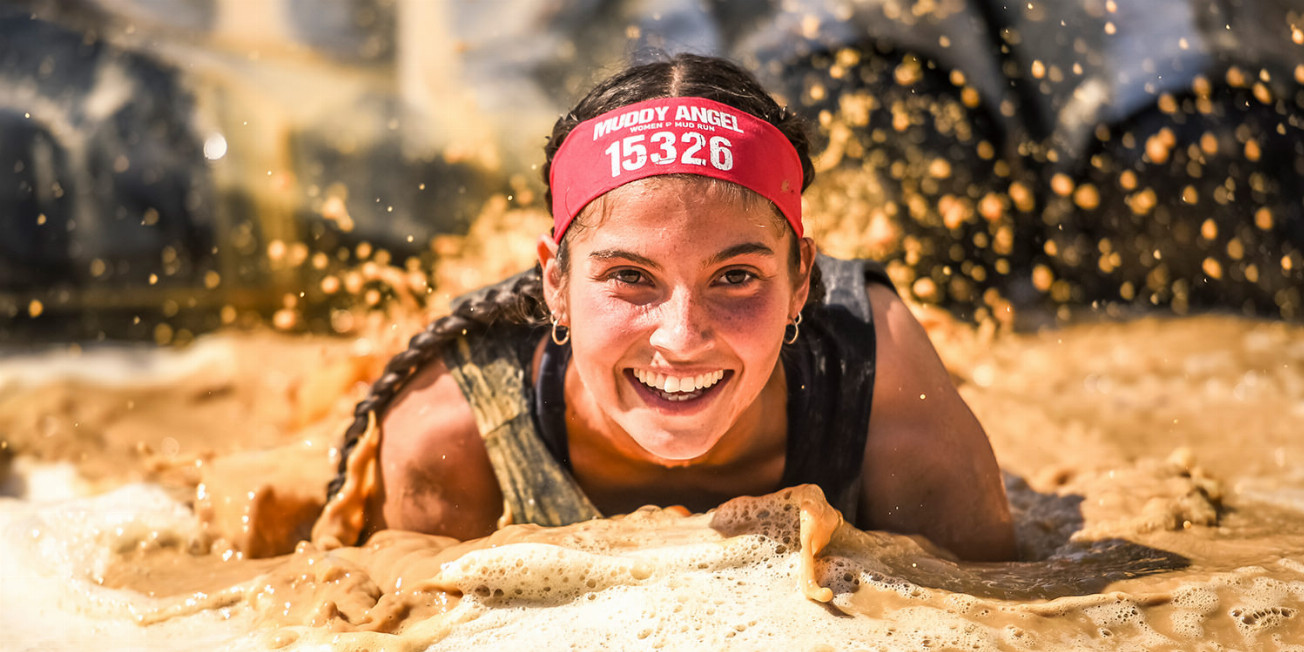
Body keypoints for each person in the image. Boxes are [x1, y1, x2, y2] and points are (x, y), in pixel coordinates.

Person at [321, 53, 1015, 562]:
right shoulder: (453, 430)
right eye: (630, 277)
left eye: (736, 276)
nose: (681, 339)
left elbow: (1016, 614)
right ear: (555, 283)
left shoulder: (879, 386)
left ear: (803, 278)